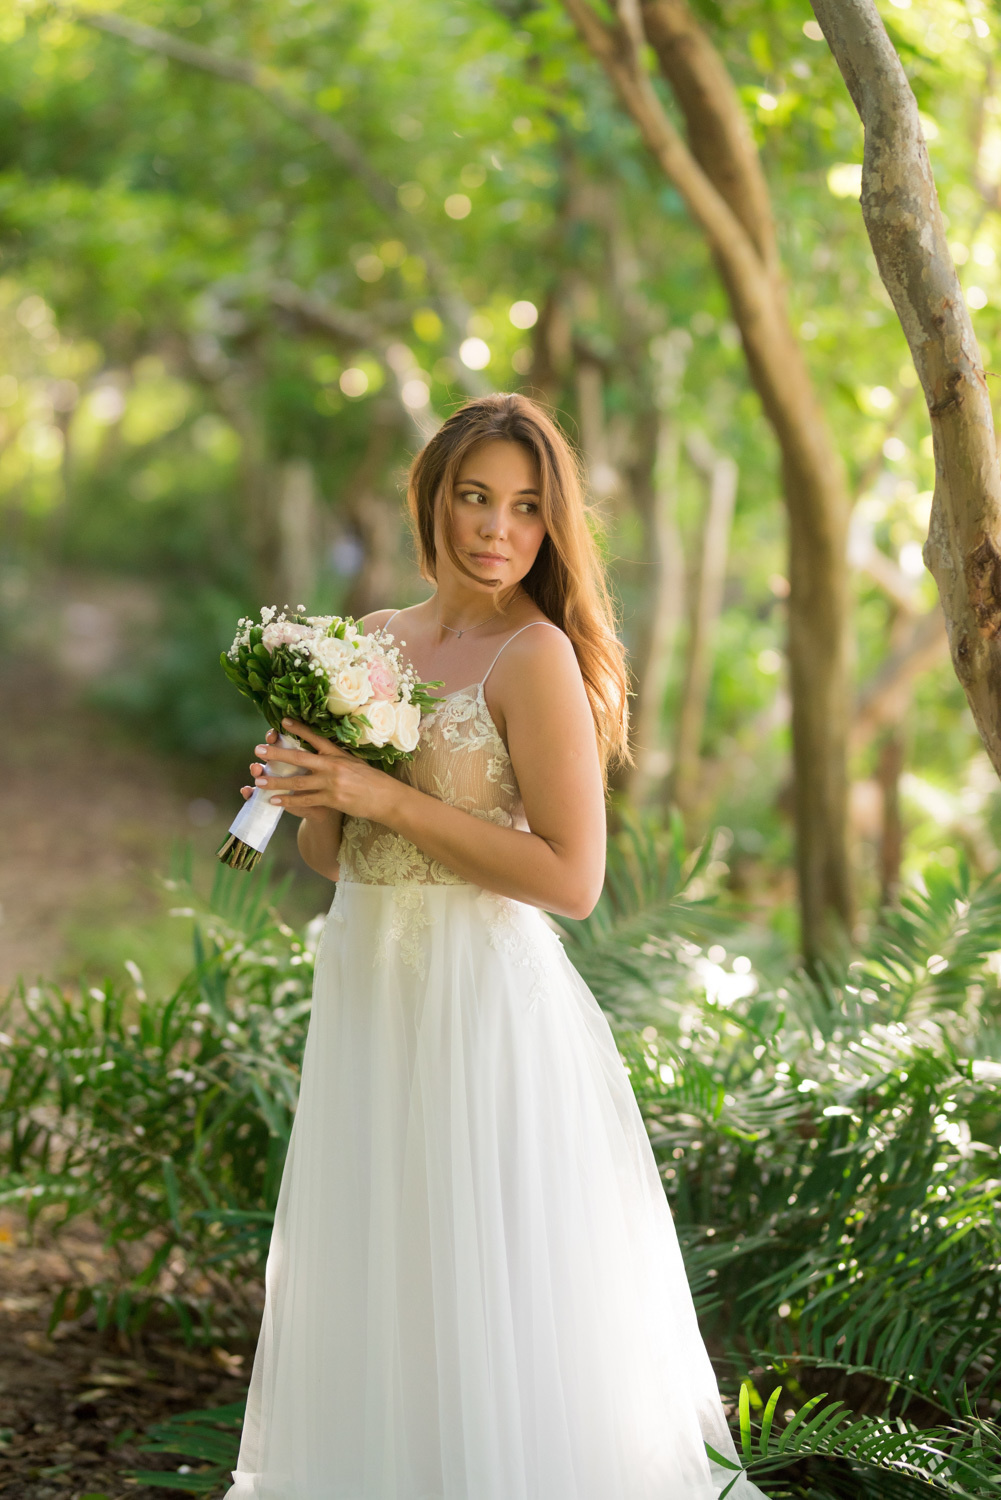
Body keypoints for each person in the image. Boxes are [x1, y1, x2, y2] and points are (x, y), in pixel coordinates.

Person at [224, 394, 764, 1499]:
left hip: (485, 1000)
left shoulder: (536, 655)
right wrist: (315, 789)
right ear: (431, 498)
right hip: (371, 983)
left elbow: (573, 879)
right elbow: (341, 861)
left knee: (497, 1283)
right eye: (474, 497)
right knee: (388, 1271)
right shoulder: (370, 640)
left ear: (549, 527)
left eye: (524, 508)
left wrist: (387, 791)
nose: (495, 529)